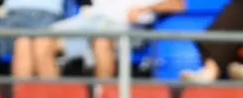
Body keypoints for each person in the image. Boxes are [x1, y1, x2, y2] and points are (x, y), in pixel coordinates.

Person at [54, 0, 186, 80]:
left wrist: (146, 8)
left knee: (102, 41)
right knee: (45, 41)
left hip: (125, 26)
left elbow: (178, 4)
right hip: (91, 19)